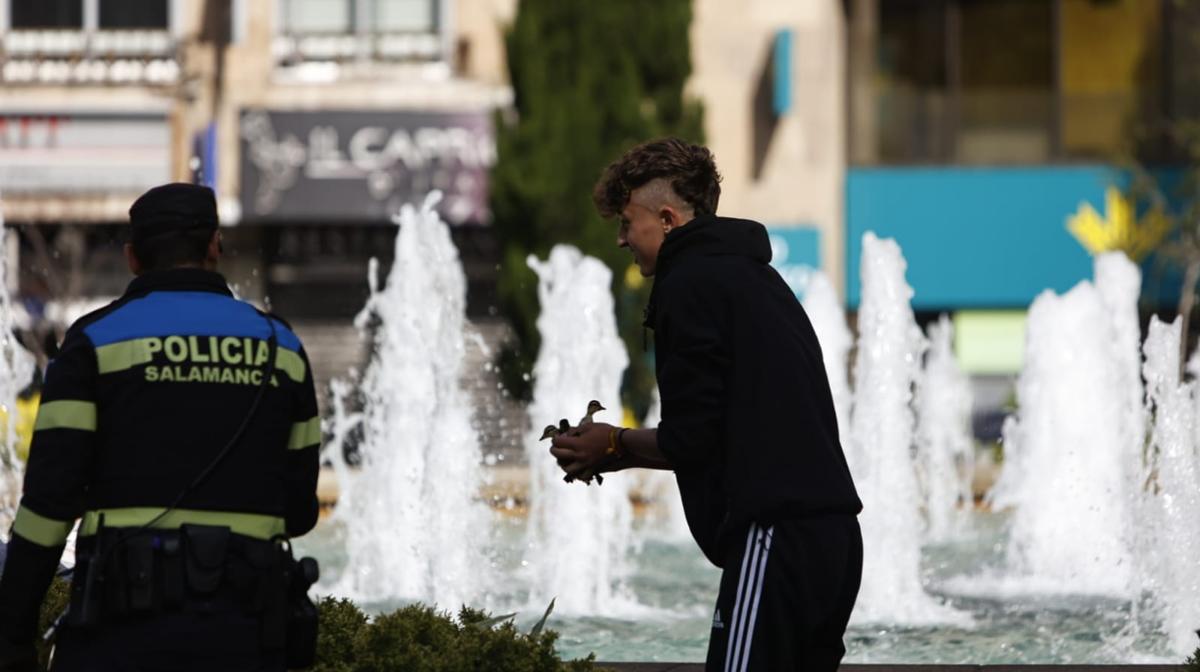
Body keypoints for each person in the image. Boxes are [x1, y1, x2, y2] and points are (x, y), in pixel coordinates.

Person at [550, 138, 863, 671]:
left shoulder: (690, 283)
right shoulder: (750, 275)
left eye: (628, 223)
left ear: (668, 219)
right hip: (830, 538)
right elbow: (722, 428)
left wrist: (613, 443)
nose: (622, 239)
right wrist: (618, 449)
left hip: (777, 535)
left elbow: (692, 439)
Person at [0, 183, 321, 671]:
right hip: (248, 631)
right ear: (214, 245)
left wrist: (13, 632)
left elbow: (49, 506)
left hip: (120, 630)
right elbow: (298, 511)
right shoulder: (283, 349)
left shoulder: (92, 343)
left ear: (132, 257)